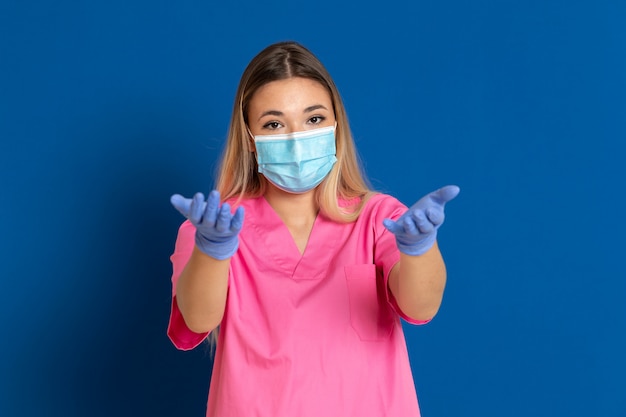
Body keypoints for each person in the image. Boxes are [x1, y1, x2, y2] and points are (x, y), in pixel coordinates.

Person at [167, 40, 460, 417]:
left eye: (314, 119)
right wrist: (212, 251)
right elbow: (198, 318)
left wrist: (419, 248)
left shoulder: (378, 218)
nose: (296, 138)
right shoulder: (216, 227)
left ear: (336, 126)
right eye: (273, 123)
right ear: (251, 140)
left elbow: (420, 306)